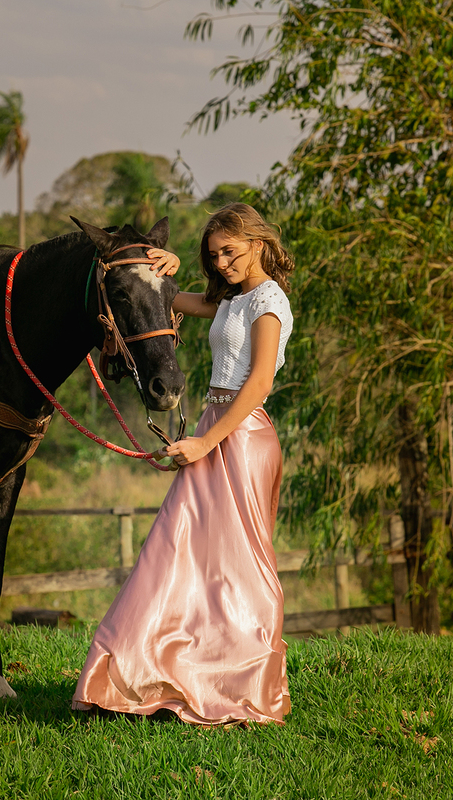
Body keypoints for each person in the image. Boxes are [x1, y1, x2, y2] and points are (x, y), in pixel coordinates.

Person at [71, 203, 295, 725]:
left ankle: (244, 685)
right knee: (177, 550)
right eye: (213, 255)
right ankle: (141, 673)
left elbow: (260, 383)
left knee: (239, 563)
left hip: (242, 437)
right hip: (215, 428)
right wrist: (164, 264)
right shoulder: (231, 299)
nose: (221, 264)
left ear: (258, 243)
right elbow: (168, 299)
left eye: (230, 252)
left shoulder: (269, 301)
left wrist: (205, 442)